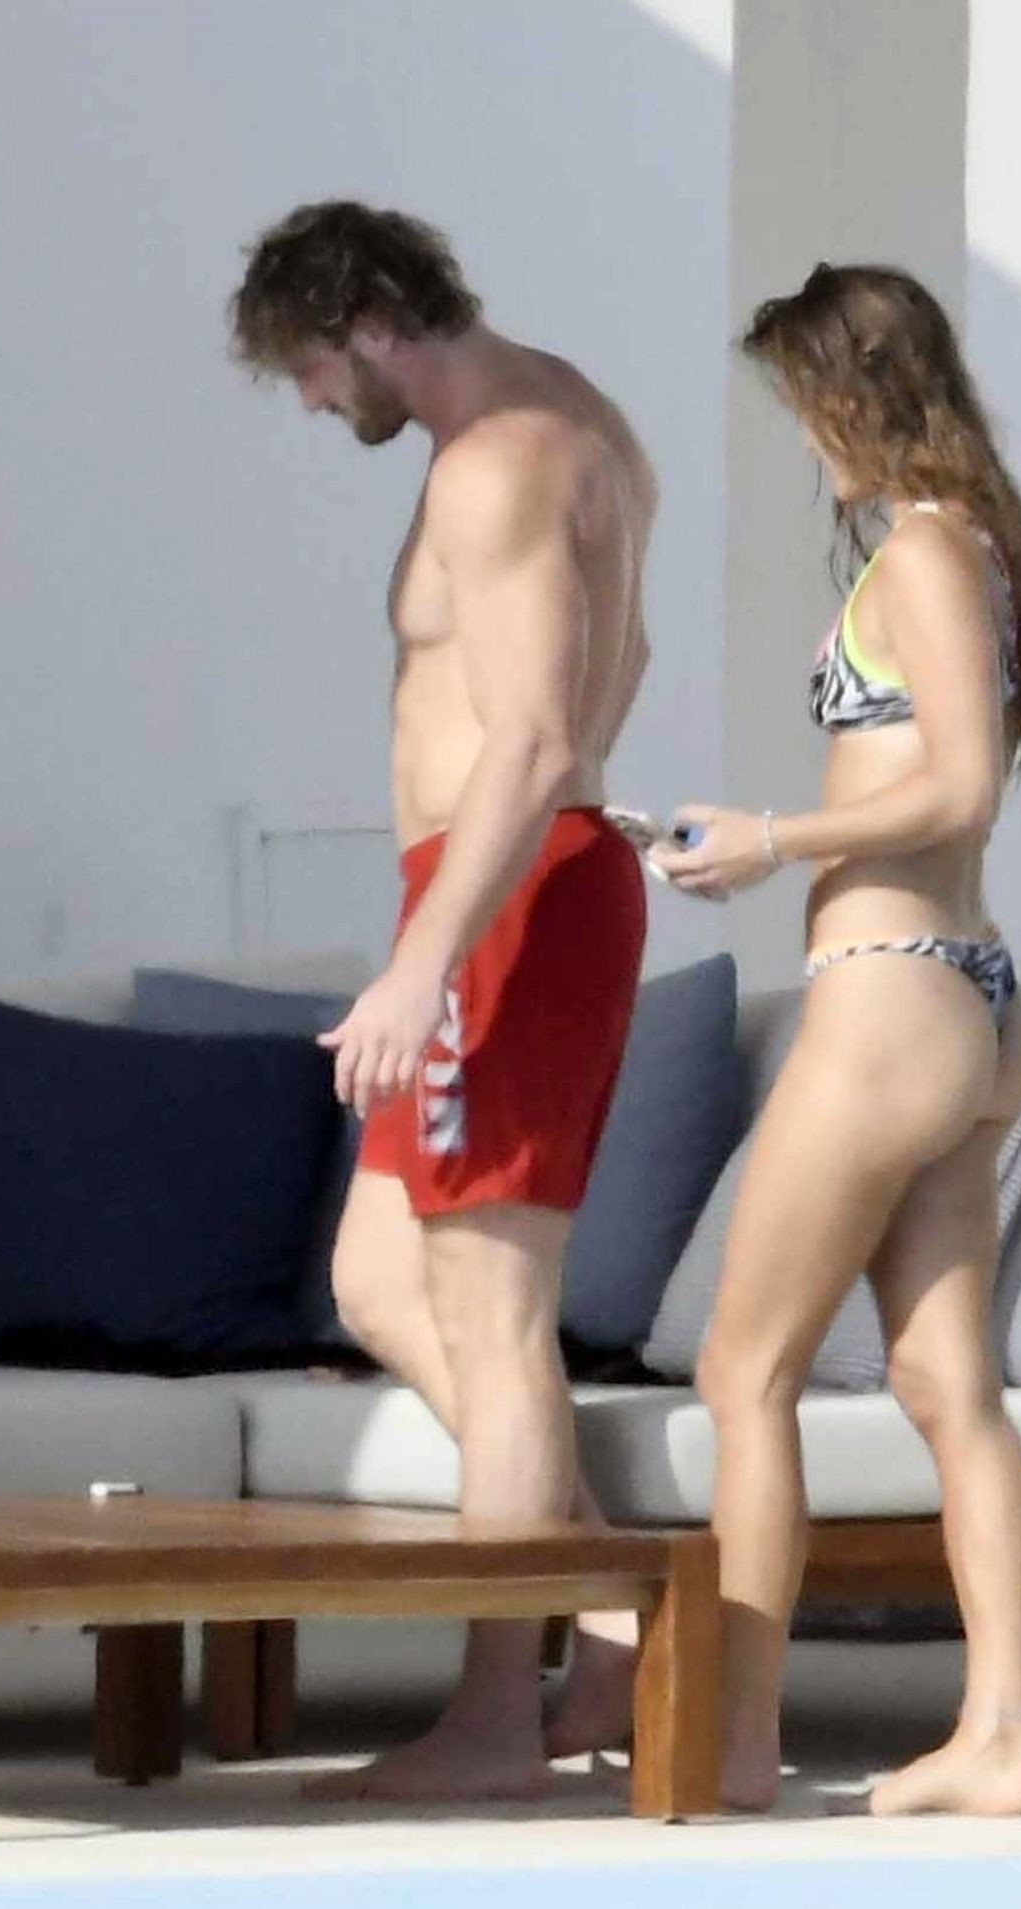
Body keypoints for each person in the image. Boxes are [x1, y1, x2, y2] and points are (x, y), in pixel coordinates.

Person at [229, 200, 654, 1801]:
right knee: (375, 1280)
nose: (309, 400)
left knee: (491, 1309)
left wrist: (428, 962)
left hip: (505, 901)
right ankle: (611, 1611)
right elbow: (625, 661)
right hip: (497, 885)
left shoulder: (500, 459)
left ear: (367, 323)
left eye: (308, 366)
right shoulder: (576, 414)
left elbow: (536, 736)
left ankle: (493, 1720)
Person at [650, 262, 1021, 1816]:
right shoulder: (978, 545)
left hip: (892, 996)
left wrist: (772, 838)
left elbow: (958, 784)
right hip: (960, 997)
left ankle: (738, 1742)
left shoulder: (929, 551)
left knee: (741, 1369)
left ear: (855, 391)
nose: (802, 436)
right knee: (945, 1381)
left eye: (803, 402)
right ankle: (1000, 1735)